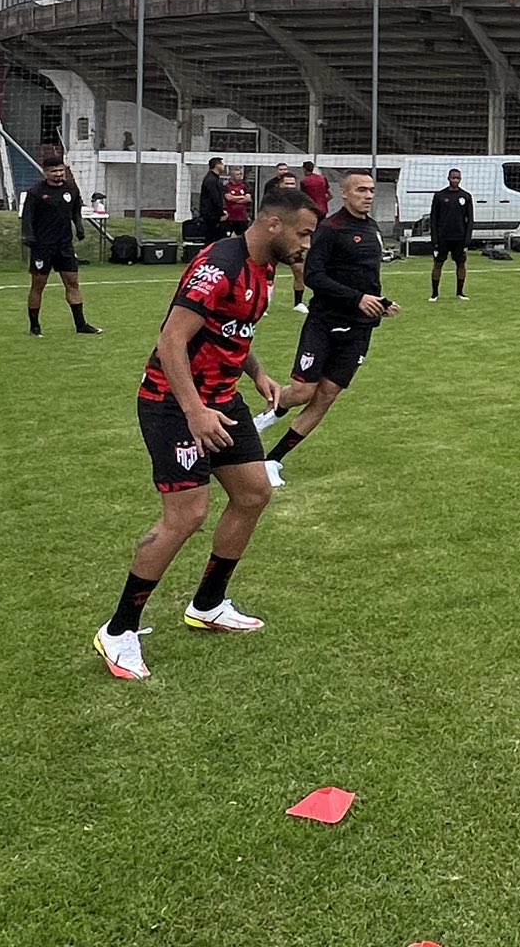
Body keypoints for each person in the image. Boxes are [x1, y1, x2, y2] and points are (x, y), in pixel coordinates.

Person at [91, 189, 322, 681]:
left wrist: (256, 374)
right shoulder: (220, 265)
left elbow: (235, 330)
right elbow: (171, 340)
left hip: (222, 401)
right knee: (187, 515)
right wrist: (194, 411)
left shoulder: (266, 268)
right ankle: (118, 630)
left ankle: (208, 604)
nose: (308, 243)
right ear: (274, 225)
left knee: (254, 493)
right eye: (304, 233)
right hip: (173, 406)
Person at [254, 171, 401, 486]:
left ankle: (271, 461)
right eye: (361, 189)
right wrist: (357, 298)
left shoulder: (372, 229)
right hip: (325, 323)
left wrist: (380, 302)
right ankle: (266, 416)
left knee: (326, 396)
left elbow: (366, 279)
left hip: (360, 329)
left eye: (372, 190)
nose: (369, 195)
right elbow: (314, 277)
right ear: (344, 194)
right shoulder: (330, 230)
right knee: (305, 391)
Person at [22, 150, 101, 337]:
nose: (58, 174)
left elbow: (75, 211)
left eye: (60, 170)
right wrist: (29, 237)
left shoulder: (71, 189)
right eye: (53, 171)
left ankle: (81, 324)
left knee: (72, 283)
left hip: (64, 245)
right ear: (45, 173)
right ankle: (35, 326)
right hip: (42, 246)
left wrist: (79, 227)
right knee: (38, 285)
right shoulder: (36, 193)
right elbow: (27, 217)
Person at [262, 169, 311, 311]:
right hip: (273, 241)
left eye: (292, 184)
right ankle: (264, 304)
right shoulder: (272, 201)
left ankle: (298, 303)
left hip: (292, 243)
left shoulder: (301, 201)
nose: (290, 186)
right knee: (268, 273)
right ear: (280, 185)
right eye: (287, 183)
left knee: (299, 270)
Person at [429, 168, 475, 302]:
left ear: (460, 179)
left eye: (458, 178)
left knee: (461, 264)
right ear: (448, 178)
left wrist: (468, 238)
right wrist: (435, 239)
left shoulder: (466, 196)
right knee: (438, 264)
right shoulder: (440, 196)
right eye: (453, 178)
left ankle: (460, 292)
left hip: (459, 238)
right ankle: (434, 294)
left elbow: (470, 219)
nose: (455, 180)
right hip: (443, 237)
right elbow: (433, 219)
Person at [197, 156, 227, 240]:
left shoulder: (215, 179)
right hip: (211, 216)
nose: (224, 166)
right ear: (217, 165)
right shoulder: (211, 180)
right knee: (212, 238)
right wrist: (221, 213)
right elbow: (215, 198)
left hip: (212, 215)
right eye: (222, 164)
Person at [221, 169, 251, 237]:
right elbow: (228, 198)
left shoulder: (245, 186)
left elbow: (248, 199)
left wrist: (234, 198)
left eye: (240, 174)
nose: (240, 176)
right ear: (232, 176)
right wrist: (242, 197)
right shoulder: (227, 186)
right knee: (226, 236)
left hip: (242, 217)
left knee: (243, 237)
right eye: (237, 174)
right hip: (230, 217)